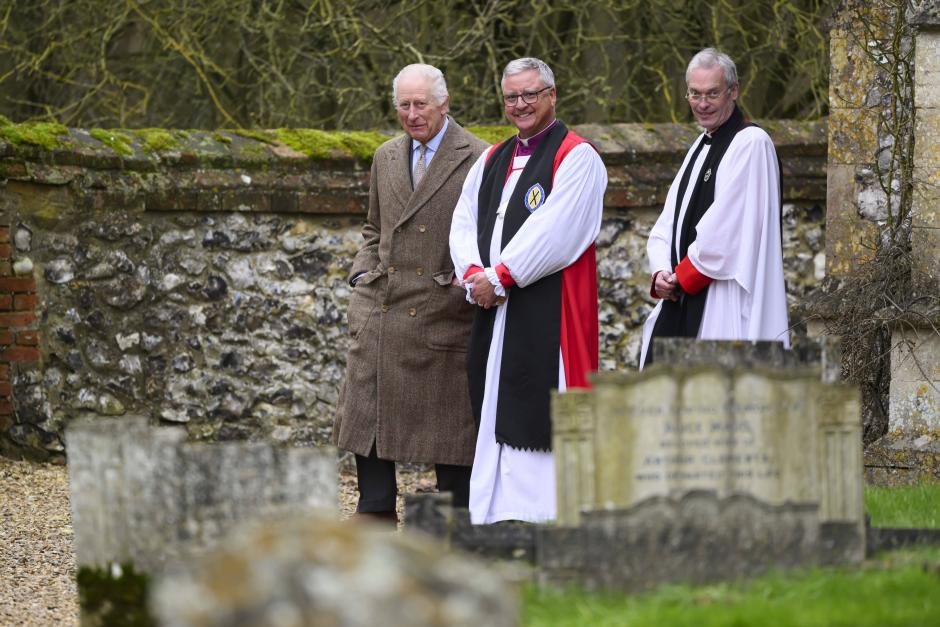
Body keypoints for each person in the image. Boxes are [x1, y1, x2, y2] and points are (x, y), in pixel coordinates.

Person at [449, 57, 607, 524]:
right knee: (493, 396)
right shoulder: (491, 158)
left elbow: (557, 234)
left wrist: (501, 276)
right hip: (493, 306)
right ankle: (495, 509)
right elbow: (463, 222)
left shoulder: (577, 156)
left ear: (552, 95)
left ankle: (546, 511)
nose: (520, 104)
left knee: (538, 402)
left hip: (548, 311)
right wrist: (473, 273)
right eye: (512, 96)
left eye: (530, 95)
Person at [333, 64, 488, 523]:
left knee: (448, 422)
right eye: (404, 104)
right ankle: (375, 509)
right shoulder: (385, 155)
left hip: (444, 309)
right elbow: (371, 228)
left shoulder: (480, 156)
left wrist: (468, 281)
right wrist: (362, 275)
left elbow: (491, 233)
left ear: (444, 102)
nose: (413, 114)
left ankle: (450, 517)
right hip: (380, 306)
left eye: (422, 104)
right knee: (367, 408)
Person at [639, 48, 789, 368]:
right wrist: (661, 271)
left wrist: (682, 276)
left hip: (721, 295)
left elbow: (727, 231)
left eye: (712, 93)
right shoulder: (700, 144)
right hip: (681, 291)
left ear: (733, 92)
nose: (702, 104)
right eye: (695, 93)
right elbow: (670, 219)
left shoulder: (751, 143)